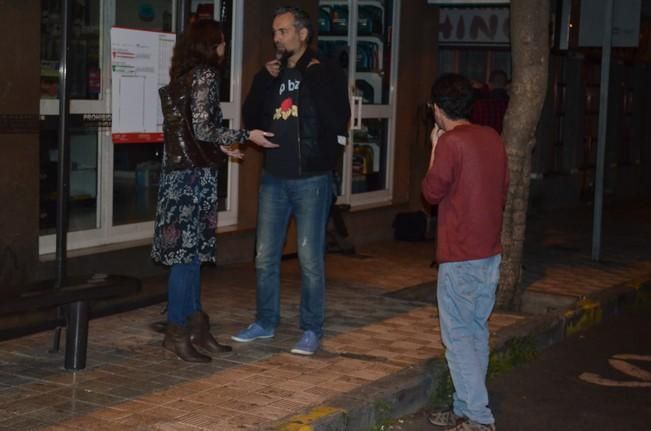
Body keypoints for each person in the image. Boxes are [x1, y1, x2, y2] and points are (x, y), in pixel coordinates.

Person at [152, 20, 277, 363]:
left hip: (177, 179)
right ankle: (177, 332)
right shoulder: (205, 76)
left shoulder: (181, 79)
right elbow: (206, 128)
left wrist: (220, 149)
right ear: (210, 45)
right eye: (221, 43)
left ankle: (195, 328)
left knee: (188, 258)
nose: (224, 49)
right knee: (186, 260)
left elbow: (189, 134)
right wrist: (245, 134)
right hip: (193, 182)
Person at [231, 6, 350, 356]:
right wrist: (263, 79)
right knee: (265, 255)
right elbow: (251, 115)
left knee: (310, 258)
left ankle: (311, 329)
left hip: (311, 178)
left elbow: (337, 116)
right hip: (274, 177)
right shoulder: (272, 73)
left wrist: (307, 77)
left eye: (282, 31)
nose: (276, 38)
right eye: (274, 32)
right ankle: (265, 322)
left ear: (302, 33)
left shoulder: (324, 71)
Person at [421, 73, 509, 431]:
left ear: (438, 110)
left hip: (460, 253)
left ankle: (478, 416)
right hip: (489, 252)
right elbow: (503, 187)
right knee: (475, 331)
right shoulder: (492, 138)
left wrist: (433, 146)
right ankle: (464, 405)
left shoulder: (450, 142)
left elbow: (430, 192)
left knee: (457, 337)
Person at [470, 69, 509, 134]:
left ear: (489, 84)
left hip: (483, 141)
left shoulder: (479, 105)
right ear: (507, 86)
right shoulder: (511, 104)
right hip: (505, 142)